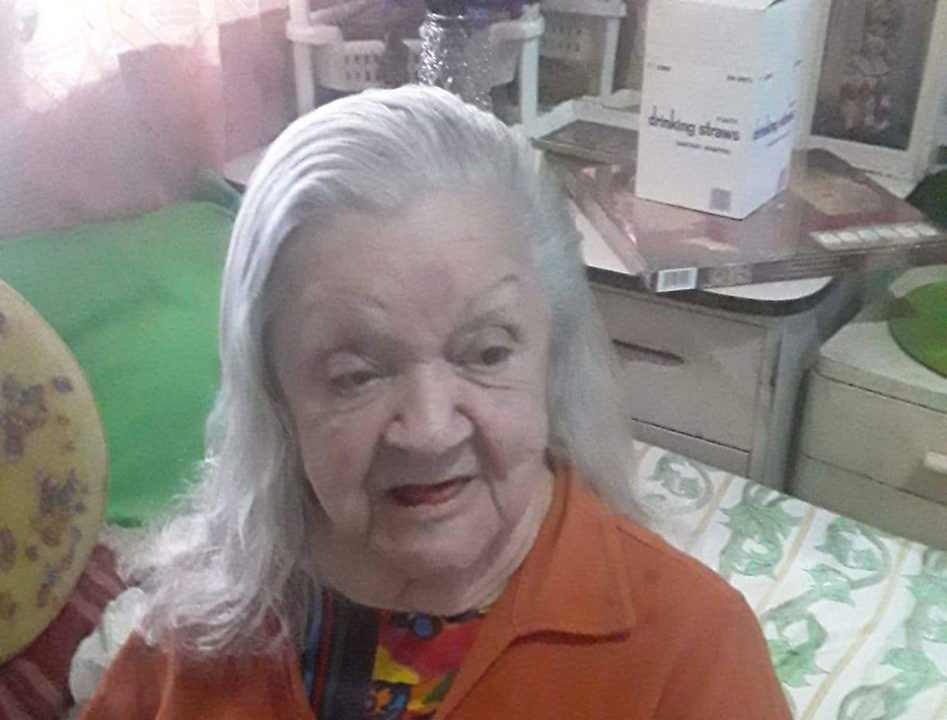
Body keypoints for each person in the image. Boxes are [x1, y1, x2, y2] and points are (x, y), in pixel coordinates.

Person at [82, 86, 791, 719]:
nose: (427, 430)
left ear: (552, 357)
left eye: (486, 353)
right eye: (354, 375)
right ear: (276, 396)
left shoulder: (692, 652)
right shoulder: (198, 628)